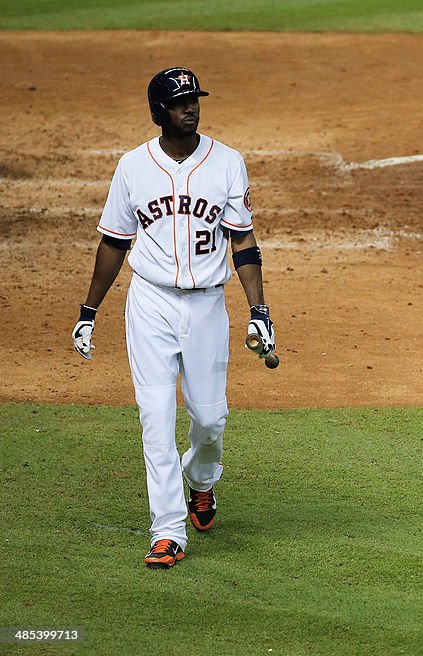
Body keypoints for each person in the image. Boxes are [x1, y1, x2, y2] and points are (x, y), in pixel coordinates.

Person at [72, 67, 276, 569]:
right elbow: (114, 242)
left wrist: (259, 311)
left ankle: (201, 483)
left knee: (210, 419)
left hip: (207, 305)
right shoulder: (132, 167)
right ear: (158, 111)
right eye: (181, 101)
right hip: (150, 304)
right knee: (155, 419)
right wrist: (88, 312)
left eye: (195, 99)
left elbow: (243, 241)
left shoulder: (227, 162)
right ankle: (167, 532)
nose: (192, 108)